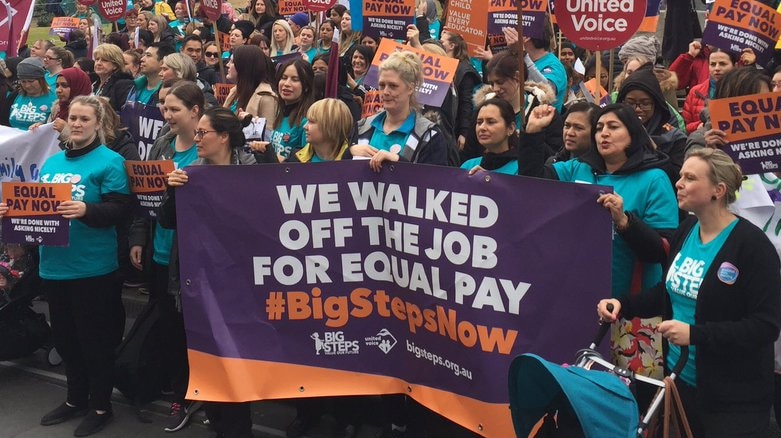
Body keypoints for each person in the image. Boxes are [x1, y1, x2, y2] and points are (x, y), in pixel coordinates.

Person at [598, 148, 781, 437]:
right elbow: (668, 292)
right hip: (680, 381)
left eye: (690, 177)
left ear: (717, 190)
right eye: (681, 175)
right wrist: (623, 304)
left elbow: (765, 326)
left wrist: (696, 335)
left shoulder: (752, 246)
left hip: (734, 398)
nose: (678, 183)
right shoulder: (688, 229)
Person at [2, 95, 133, 437]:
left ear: (98, 124)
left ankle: (101, 405)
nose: (76, 123)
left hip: (93, 269)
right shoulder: (52, 163)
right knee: (67, 339)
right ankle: (75, 399)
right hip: (54, 266)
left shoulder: (111, 162)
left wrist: (87, 211)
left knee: (95, 341)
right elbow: (38, 215)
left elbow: (121, 210)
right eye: (72, 117)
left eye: (84, 119)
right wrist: (12, 216)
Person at [521, 103, 679, 380]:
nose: (603, 134)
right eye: (599, 128)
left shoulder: (655, 179)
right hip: (578, 304)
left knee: (630, 403)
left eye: (613, 127)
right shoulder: (577, 170)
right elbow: (533, 188)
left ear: (633, 133)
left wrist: (625, 222)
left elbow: (662, 251)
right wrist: (533, 134)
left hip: (629, 312)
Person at [161, 107, 256, 438]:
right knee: (211, 360)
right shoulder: (190, 174)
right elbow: (167, 222)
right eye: (197, 133)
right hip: (202, 282)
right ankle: (220, 423)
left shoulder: (256, 171)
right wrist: (172, 191)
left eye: (204, 133)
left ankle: (239, 428)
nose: (196, 139)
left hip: (244, 284)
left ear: (225, 137)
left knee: (240, 360)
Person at [129, 81, 204, 433]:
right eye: (164, 107)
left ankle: (187, 394)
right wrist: (140, 237)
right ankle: (177, 386)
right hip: (159, 253)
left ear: (195, 111)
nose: (166, 114)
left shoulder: (208, 150)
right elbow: (146, 199)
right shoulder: (161, 144)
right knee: (169, 329)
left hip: (189, 258)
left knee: (189, 331)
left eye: (174, 109)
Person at [351, 51, 451, 167]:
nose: (386, 92)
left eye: (393, 86)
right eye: (382, 85)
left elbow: (435, 181)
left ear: (410, 88)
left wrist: (399, 162)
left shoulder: (430, 135)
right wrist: (350, 152)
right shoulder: (361, 127)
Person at [616, 66, 687, 189]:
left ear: (656, 105)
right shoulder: (611, 134)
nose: (637, 109)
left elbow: (677, 180)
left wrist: (650, 146)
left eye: (645, 104)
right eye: (630, 103)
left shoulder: (674, 138)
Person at [263, 58, 313, 160]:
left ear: (306, 86)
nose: (286, 84)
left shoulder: (307, 121)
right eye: (284, 78)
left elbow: (305, 162)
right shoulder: (276, 113)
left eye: (295, 80)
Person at [439, 30, 481, 152]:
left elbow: (465, 103)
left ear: (452, 46)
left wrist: (463, 133)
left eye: (442, 41)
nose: (438, 43)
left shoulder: (464, 71)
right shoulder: (441, 66)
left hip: (455, 129)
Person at [682, 49, 737, 134]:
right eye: (713, 64)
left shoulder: (743, 90)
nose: (717, 68)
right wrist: (699, 126)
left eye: (722, 64)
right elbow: (685, 127)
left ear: (735, 66)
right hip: (702, 142)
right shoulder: (695, 91)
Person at [461, 98, 518, 175]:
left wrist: (490, 182)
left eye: (491, 122)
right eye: (479, 122)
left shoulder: (521, 169)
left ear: (511, 128)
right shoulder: (468, 166)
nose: (482, 127)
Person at [286, 98, 353, 162]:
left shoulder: (353, 159)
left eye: (311, 122)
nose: (305, 126)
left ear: (331, 126)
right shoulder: (295, 158)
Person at [223, 45, 277, 122]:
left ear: (244, 66)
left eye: (232, 62)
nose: (227, 65)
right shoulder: (235, 91)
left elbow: (268, 131)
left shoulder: (266, 97)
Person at [32, 67, 92, 135]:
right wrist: (42, 128)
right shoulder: (57, 107)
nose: (58, 90)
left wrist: (65, 130)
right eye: (57, 86)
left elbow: (88, 141)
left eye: (64, 85)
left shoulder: (91, 111)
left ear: (77, 86)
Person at [6, 57, 57, 130]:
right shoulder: (15, 96)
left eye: (31, 81)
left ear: (41, 80)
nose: (27, 85)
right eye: (23, 82)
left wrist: (43, 126)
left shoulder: (55, 98)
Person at [92, 44, 134, 112]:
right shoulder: (95, 83)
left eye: (104, 60)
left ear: (115, 65)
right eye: (97, 59)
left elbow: (124, 113)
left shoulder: (123, 84)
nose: (98, 63)